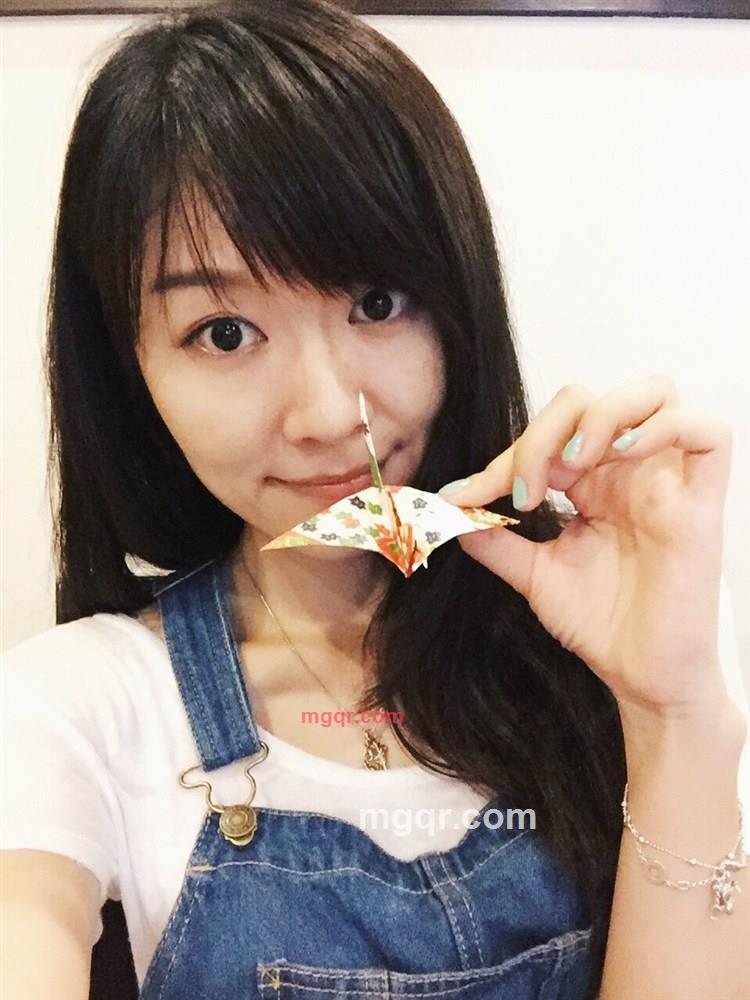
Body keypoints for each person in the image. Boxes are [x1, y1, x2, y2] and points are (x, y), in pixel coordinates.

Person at [1, 1, 748, 997]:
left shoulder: (609, 624)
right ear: (129, 367)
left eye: (376, 302)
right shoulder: (78, 711)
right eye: (224, 333)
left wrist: (673, 711)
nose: (326, 414)